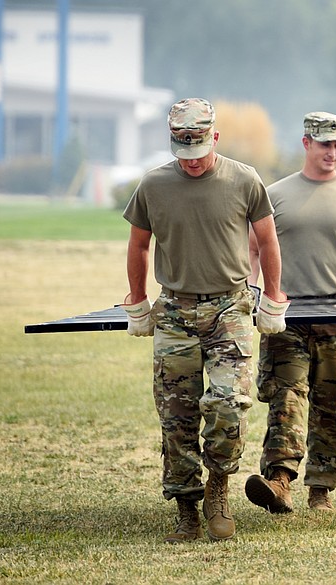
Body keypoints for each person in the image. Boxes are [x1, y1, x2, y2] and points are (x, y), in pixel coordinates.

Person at [122, 98, 288, 543]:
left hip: (229, 309)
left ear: (215, 137)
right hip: (175, 311)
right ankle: (186, 508)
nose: (192, 163)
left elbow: (268, 242)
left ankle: (218, 488)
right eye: (184, 154)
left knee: (228, 403)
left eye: (199, 153)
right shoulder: (153, 186)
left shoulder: (244, 180)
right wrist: (138, 303)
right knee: (176, 415)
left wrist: (272, 298)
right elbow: (138, 246)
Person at [246, 111, 336, 513]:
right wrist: (254, 289)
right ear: (306, 143)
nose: (332, 151)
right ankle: (279, 482)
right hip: (284, 317)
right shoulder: (273, 195)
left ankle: (321, 488)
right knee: (286, 397)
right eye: (324, 143)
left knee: (330, 404)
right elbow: (253, 250)